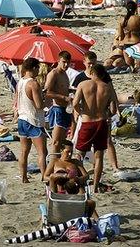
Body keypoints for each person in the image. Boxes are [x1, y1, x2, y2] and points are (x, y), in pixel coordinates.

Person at [72, 63, 116, 192]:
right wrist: (106, 113)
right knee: (99, 156)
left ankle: (80, 182)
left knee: (79, 154)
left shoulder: (83, 85)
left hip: (87, 121)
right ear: (102, 75)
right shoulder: (107, 87)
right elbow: (113, 109)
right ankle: (96, 186)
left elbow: (75, 103)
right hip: (101, 122)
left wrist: (81, 112)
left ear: (91, 73)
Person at [15, 57, 47, 183]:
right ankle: (44, 176)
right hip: (33, 120)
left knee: (24, 151)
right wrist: (46, 100)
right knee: (42, 152)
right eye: (38, 68)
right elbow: (39, 105)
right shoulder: (33, 83)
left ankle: (23, 177)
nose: (39, 70)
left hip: (22, 119)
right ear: (34, 68)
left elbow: (17, 100)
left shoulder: (20, 82)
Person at [45, 51, 73, 153]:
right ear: (58, 60)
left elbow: (61, 89)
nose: (66, 65)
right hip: (57, 109)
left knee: (62, 141)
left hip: (65, 109)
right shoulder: (54, 74)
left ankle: (59, 163)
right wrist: (64, 98)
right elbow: (47, 92)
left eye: (68, 63)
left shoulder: (65, 74)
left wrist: (71, 91)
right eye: (64, 62)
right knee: (56, 142)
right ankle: (53, 164)